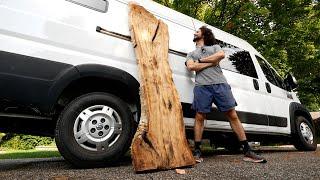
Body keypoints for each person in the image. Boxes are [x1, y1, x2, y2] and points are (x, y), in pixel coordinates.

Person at [185, 26, 267, 163]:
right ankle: (197, 151)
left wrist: (200, 62)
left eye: (197, 31)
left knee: (232, 115)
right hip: (201, 87)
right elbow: (191, 67)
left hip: (220, 84)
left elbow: (221, 55)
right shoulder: (191, 53)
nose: (195, 33)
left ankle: (247, 151)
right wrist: (211, 62)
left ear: (204, 34)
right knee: (199, 116)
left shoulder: (215, 47)